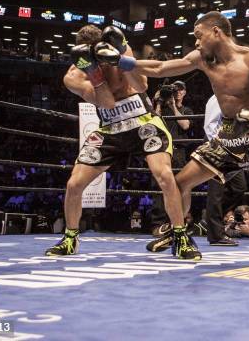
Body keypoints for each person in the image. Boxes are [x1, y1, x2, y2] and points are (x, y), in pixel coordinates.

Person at [94, 11, 249, 267]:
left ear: (216, 32)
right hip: (227, 135)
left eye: (199, 35)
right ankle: (178, 233)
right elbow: (162, 68)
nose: (196, 42)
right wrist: (123, 61)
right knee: (179, 183)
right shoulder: (203, 58)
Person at [44, 25, 200, 260]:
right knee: (74, 184)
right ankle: (70, 238)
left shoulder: (118, 52)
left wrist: (120, 54)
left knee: (165, 176)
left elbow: (142, 86)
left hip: (143, 121)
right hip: (109, 129)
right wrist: (95, 73)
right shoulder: (74, 76)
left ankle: (180, 236)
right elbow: (106, 102)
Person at [149, 80, 194, 235]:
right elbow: (154, 122)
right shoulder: (163, 109)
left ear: (184, 92)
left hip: (179, 152)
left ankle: (179, 222)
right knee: (159, 185)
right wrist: (159, 103)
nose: (178, 92)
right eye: (175, 90)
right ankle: (159, 225)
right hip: (162, 150)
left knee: (180, 185)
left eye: (181, 89)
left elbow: (185, 125)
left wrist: (174, 106)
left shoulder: (186, 110)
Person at [204, 95, 244, 246]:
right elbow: (210, 125)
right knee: (216, 192)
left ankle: (211, 219)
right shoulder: (217, 97)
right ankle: (215, 235)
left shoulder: (240, 96)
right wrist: (217, 148)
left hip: (234, 147)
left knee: (239, 188)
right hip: (217, 147)